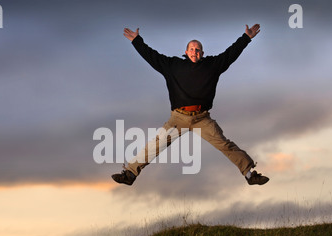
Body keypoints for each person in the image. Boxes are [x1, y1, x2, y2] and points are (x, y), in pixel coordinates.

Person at [112, 24, 269, 186]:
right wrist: (137, 41)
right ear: (186, 52)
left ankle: (250, 175)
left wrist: (246, 38)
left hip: (202, 118)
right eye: (192, 49)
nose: (195, 52)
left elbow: (231, 53)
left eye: (198, 49)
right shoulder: (173, 66)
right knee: (156, 144)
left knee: (224, 144)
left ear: (202, 53)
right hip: (178, 118)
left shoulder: (213, 65)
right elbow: (152, 56)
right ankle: (130, 174)